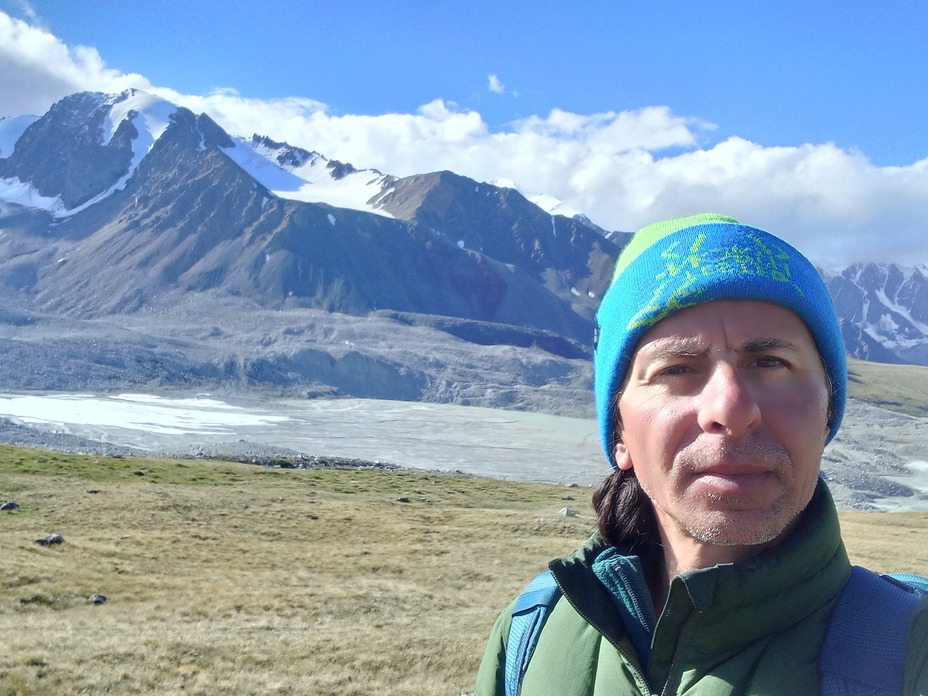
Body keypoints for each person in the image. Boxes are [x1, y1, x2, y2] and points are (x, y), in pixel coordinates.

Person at [475, 214, 928, 695]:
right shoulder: (532, 634)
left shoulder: (912, 654)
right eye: (677, 368)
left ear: (828, 409)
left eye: (770, 362)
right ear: (620, 433)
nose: (730, 409)